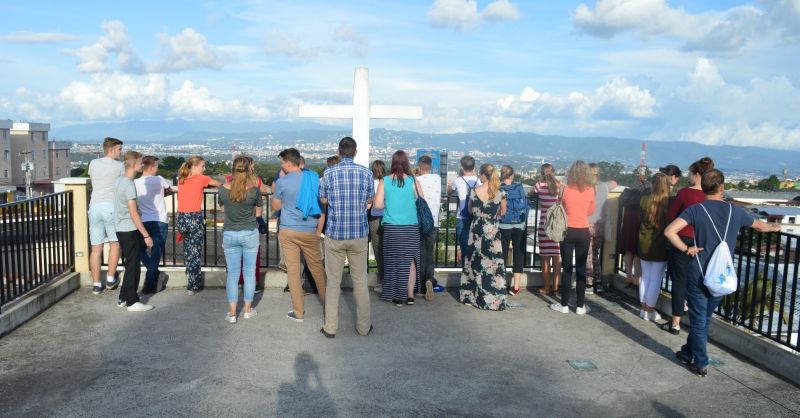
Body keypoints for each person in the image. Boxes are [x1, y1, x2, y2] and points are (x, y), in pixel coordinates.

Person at [665, 168, 780, 376]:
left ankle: (699, 361)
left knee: (700, 319)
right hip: (722, 276)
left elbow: (669, 231)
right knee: (704, 319)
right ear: (721, 187)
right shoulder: (735, 211)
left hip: (698, 272)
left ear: (704, 188)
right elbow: (761, 226)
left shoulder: (696, 210)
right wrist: (774, 227)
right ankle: (689, 353)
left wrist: (686, 248)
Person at [319, 137, 374, 338]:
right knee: (360, 281)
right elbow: (370, 199)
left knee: (333, 282)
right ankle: (363, 327)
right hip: (359, 233)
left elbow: (323, 198)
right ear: (355, 151)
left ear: (339, 151)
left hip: (335, 233)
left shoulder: (329, 173)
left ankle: (331, 327)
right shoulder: (366, 173)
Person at [273, 148, 327, 322]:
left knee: (294, 273)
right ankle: (329, 306)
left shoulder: (283, 181)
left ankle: (298, 312)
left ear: (288, 163)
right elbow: (322, 202)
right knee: (317, 269)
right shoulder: (313, 179)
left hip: (288, 230)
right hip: (310, 230)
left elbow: (275, 207)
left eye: (282, 162)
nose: (281, 166)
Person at [662, 157, 714, 335]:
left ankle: (675, 322)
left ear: (697, 174)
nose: (689, 177)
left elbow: (671, 215)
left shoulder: (685, 193)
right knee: (699, 283)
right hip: (704, 243)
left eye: (691, 173)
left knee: (679, 281)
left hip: (682, 241)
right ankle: (698, 323)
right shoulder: (710, 196)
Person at [374, 150, 422, 306]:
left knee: (393, 261)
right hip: (411, 227)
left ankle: (396, 295)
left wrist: (391, 203)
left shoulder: (385, 181)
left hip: (392, 227)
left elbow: (378, 205)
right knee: (410, 262)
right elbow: (422, 200)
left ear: (393, 163)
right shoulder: (413, 181)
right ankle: (409, 296)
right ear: (407, 163)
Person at [218, 156, 262, 323]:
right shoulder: (253, 190)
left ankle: (232, 313)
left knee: (233, 274)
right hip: (249, 232)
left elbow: (223, 209)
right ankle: (248, 310)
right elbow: (258, 213)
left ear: (233, 169)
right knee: (249, 273)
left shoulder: (222, 189)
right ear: (249, 169)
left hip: (230, 233)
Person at [460, 163, 508, 311]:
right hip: (492, 230)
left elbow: (469, 209)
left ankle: (472, 295)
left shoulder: (474, 191)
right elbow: (503, 212)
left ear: (483, 175)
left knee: (474, 263)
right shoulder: (500, 193)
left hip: (476, 230)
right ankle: (493, 298)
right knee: (492, 265)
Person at [550, 161, 595, 315]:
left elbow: (560, 205)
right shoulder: (590, 190)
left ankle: (564, 305)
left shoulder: (565, 188)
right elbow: (590, 210)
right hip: (583, 231)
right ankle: (581, 306)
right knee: (581, 268)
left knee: (567, 268)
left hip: (567, 231)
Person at [113, 151, 154, 311]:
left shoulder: (119, 181)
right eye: (141, 162)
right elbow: (133, 213)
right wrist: (146, 235)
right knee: (133, 266)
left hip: (120, 228)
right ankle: (132, 301)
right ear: (134, 164)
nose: (142, 165)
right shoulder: (129, 184)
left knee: (130, 263)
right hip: (129, 229)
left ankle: (123, 297)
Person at [176, 156, 222, 295]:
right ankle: (193, 284)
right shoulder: (202, 179)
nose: (204, 169)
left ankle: (190, 273)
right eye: (202, 166)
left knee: (188, 249)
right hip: (194, 217)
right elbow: (220, 184)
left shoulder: (182, 179)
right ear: (195, 167)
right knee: (195, 251)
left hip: (181, 217)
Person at [88, 137, 124, 294]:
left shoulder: (93, 163)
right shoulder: (119, 166)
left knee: (96, 248)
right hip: (111, 206)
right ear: (112, 149)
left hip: (94, 207)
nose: (121, 152)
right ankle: (110, 278)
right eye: (119, 149)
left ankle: (96, 284)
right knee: (115, 244)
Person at [134, 156, 172, 294]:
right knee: (156, 252)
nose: (157, 169)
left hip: (144, 221)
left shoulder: (135, 183)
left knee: (139, 250)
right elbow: (170, 189)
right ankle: (150, 284)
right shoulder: (160, 179)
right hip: (160, 219)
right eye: (156, 166)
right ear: (151, 167)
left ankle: (154, 275)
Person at [638, 173, 671, 322]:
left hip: (643, 242)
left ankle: (643, 307)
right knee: (656, 278)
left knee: (645, 277)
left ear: (653, 184)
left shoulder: (644, 200)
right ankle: (650, 310)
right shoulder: (669, 203)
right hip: (660, 245)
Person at [586, 163, 617, 293]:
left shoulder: (586, 188)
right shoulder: (604, 186)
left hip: (588, 224)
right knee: (595, 253)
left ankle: (588, 282)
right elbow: (614, 183)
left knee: (588, 254)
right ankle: (598, 281)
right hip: (601, 224)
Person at [531, 163, 561, 295]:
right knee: (557, 257)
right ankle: (555, 287)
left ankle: (546, 287)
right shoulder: (559, 185)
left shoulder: (539, 186)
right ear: (553, 172)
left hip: (545, 223)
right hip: (557, 225)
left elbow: (531, 193)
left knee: (545, 258)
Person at [416, 155, 443, 299]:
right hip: (434, 222)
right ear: (431, 167)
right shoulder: (437, 179)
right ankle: (429, 280)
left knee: (420, 252)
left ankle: (420, 283)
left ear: (419, 167)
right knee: (430, 253)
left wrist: (415, 174)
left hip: (420, 222)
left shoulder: (416, 181)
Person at [498, 165, 528, 295]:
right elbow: (526, 204)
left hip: (504, 223)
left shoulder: (499, 188)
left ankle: (501, 284)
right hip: (519, 224)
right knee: (518, 253)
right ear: (512, 176)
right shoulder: (520, 187)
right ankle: (516, 287)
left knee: (502, 254)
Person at [449, 156, 479, 265]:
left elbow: (450, 191)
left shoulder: (458, 181)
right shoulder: (479, 181)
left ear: (462, 167)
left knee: (464, 247)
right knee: (476, 247)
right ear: (474, 166)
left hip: (461, 216)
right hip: (476, 217)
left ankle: (465, 275)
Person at [368, 160, 386, 293]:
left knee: (378, 249)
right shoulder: (387, 182)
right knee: (388, 250)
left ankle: (382, 280)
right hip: (388, 217)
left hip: (373, 218)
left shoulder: (370, 183)